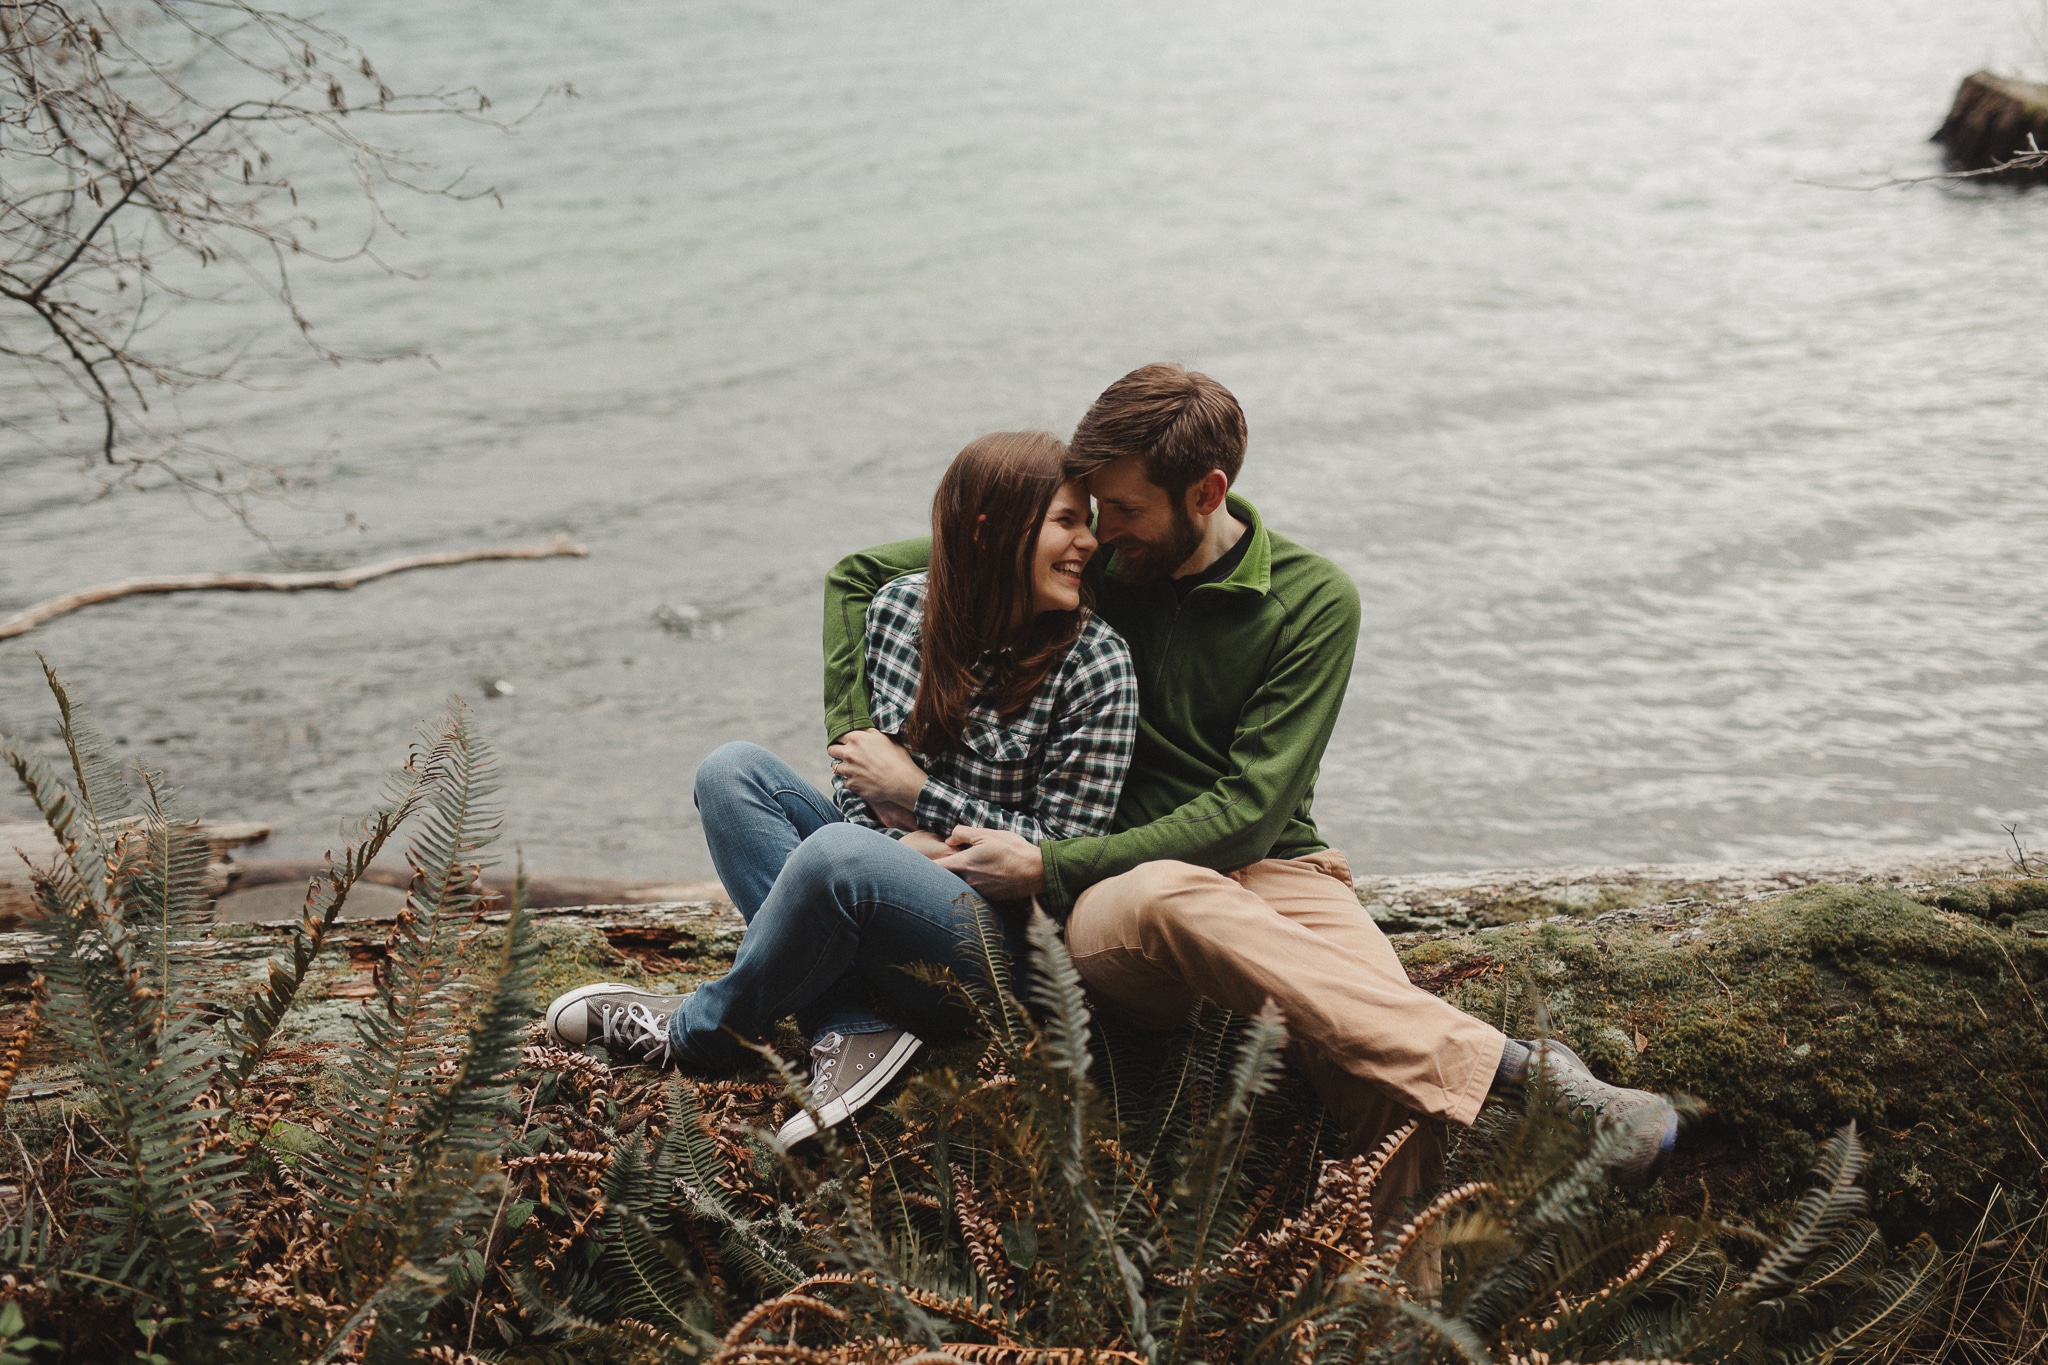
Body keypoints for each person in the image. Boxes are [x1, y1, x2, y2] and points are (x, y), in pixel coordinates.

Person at [820, 364, 1681, 1216]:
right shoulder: (1098, 565)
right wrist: (869, 747)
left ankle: (1389, 1320)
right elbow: (859, 575)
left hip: (1275, 869)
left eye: (1121, 509)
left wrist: (1041, 853)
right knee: (1169, 891)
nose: (1095, 534)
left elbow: (1248, 815)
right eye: (1089, 508)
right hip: (1110, 889)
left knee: (1379, 1062)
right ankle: (1521, 1073)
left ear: (1207, 491)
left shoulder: (1314, 601)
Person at [542, 431, 1139, 1144]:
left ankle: (703, 1029)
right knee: (730, 772)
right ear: (990, 530)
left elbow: (1065, 854)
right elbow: (859, 782)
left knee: (838, 856)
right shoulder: (898, 613)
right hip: (887, 873)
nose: (1088, 543)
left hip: (998, 947)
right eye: (1067, 521)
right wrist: (891, 840)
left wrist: (920, 805)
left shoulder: (1099, 664)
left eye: (1089, 523)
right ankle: (853, 1025)